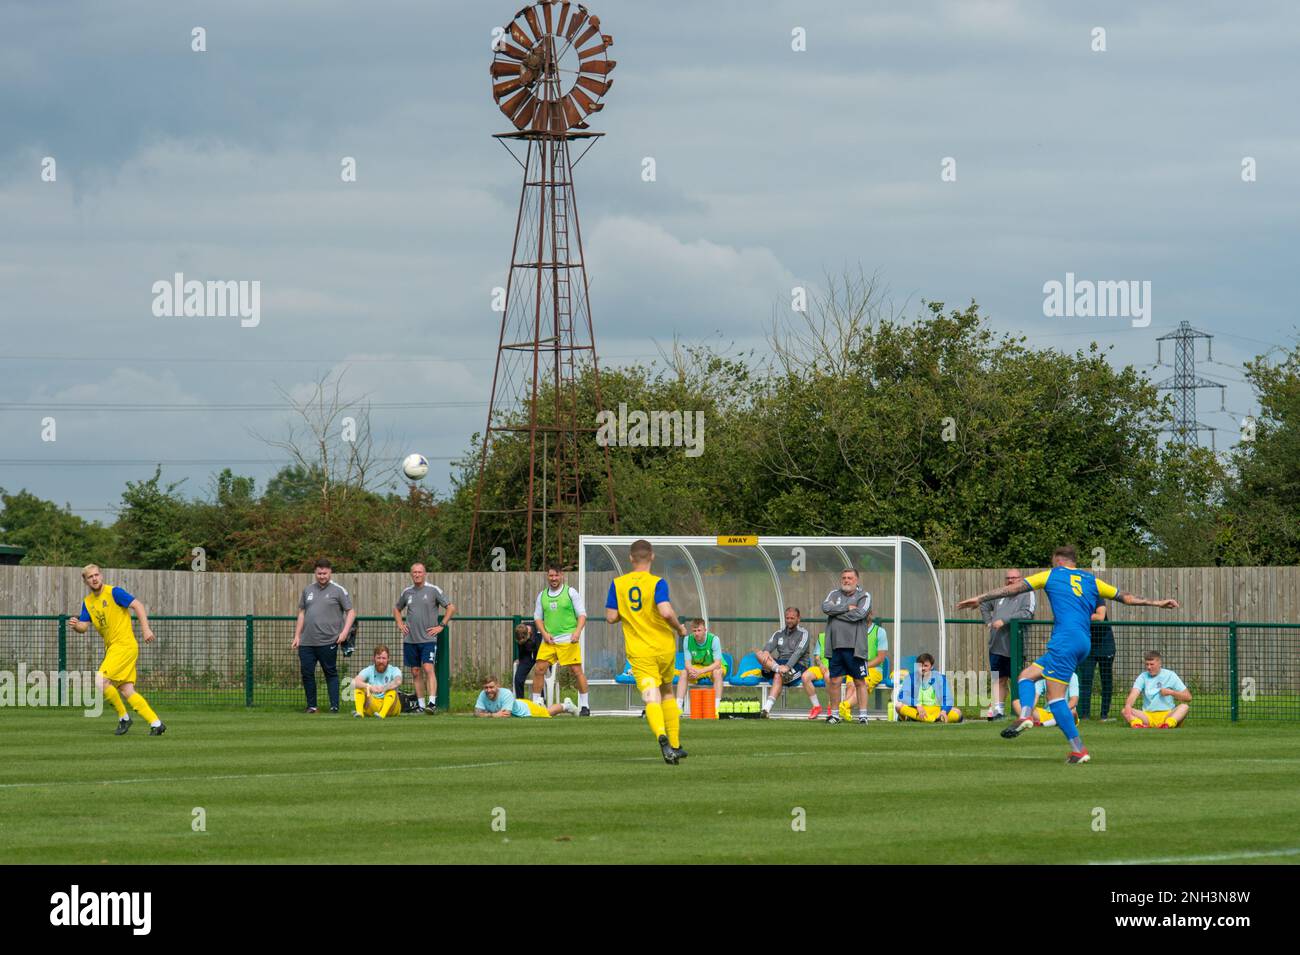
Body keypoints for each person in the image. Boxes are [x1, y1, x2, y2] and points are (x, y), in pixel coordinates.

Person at [957, 545, 1179, 764]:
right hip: (1082, 642)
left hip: (1065, 641)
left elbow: (1013, 589)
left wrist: (981, 598)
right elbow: (1126, 597)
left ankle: (1077, 749)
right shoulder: (1091, 580)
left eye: (1054, 562)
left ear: (1059, 561)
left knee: (1055, 700)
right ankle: (1025, 715)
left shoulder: (1051, 575)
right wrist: (1157, 602)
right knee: (1026, 676)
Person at [605, 538, 690, 764]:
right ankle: (675, 743)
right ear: (652, 556)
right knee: (667, 691)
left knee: (650, 697)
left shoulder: (618, 583)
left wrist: (630, 615)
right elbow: (665, 611)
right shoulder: (657, 582)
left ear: (631, 558)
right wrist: (680, 627)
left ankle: (661, 736)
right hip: (663, 647)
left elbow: (611, 617)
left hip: (639, 651)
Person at [70, 564, 165, 736]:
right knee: (126, 689)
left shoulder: (114, 592)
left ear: (102, 576)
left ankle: (124, 718)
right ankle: (156, 723)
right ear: (85, 581)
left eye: (96, 575)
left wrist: (146, 629)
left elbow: (138, 606)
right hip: (114, 648)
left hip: (124, 645)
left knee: (101, 680)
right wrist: (76, 625)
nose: (94, 578)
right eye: (90, 577)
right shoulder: (88, 602)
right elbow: (84, 626)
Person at [292, 559, 355, 713]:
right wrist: (297, 636)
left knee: (330, 673)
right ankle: (312, 706)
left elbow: (351, 612)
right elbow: (301, 613)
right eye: (319, 573)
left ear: (330, 572)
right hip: (307, 642)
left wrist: (345, 632)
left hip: (329, 641)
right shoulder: (308, 590)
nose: (322, 576)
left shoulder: (339, 590)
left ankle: (334, 706)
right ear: (315, 572)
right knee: (307, 673)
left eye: (325, 573)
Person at [393, 562, 455, 715]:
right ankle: (421, 706)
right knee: (415, 671)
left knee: (428, 668)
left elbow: (451, 607)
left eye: (420, 572)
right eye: (414, 572)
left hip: (428, 639)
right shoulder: (407, 592)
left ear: (425, 573)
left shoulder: (433, 590)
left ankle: (432, 703)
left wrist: (441, 625)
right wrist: (400, 623)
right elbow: (396, 608)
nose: (417, 575)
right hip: (410, 639)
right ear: (411, 574)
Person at [532, 564, 591, 716]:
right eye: (551, 576)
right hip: (549, 640)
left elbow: (582, 615)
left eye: (556, 575)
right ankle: (536, 702)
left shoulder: (570, 592)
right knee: (539, 669)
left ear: (562, 576)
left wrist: (577, 632)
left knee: (576, 671)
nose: (553, 578)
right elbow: (537, 617)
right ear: (547, 576)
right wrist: (544, 634)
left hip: (568, 639)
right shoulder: (542, 595)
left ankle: (585, 706)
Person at [979, 568, 1036, 720]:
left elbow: (1027, 613)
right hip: (996, 645)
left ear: (1020, 578)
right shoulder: (1001, 593)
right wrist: (988, 622)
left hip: (1016, 646)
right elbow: (983, 603)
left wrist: (1005, 620)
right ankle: (998, 711)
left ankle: (1023, 713)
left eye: (1014, 578)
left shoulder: (1027, 593)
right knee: (999, 679)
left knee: (1019, 681)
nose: (1011, 580)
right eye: (1008, 578)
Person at [821, 568, 872, 725]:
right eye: (844, 577)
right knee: (834, 681)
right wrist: (845, 608)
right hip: (836, 646)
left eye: (850, 577)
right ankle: (835, 715)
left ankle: (863, 716)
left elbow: (859, 614)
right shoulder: (833, 594)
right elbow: (825, 608)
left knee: (859, 681)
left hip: (855, 647)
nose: (846, 580)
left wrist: (835, 613)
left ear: (856, 580)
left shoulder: (864, 595)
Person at [756, 607, 817, 717]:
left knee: (778, 676)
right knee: (759, 653)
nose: (789, 620)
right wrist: (766, 652)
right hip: (779, 664)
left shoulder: (804, 633)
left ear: (798, 619)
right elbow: (768, 647)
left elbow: (798, 653)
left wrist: (788, 666)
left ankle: (766, 709)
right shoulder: (778, 633)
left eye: (792, 618)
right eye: (787, 618)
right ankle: (778, 670)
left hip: (798, 665)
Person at [838, 611, 889, 721]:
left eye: (866, 612)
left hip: (874, 669)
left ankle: (844, 706)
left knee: (863, 683)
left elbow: (880, 658)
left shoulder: (879, 632)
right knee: (851, 685)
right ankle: (845, 712)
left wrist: (863, 666)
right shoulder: (853, 631)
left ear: (871, 614)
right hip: (855, 666)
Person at [1123, 651, 1192, 728]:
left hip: (1167, 714)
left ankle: (1167, 724)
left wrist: (1171, 692)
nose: (1149, 667)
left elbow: (1188, 697)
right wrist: (1128, 706)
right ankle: (1137, 724)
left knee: (1184, 707)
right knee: (1125, 709)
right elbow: (1133, 694)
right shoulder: (1142, 676)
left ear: (1159, 664)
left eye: (1152, 664)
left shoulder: (1170, 675)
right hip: (1148, 716)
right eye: (1147, 664)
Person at [895, 652, 962, 723]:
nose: (923, 668)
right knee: (898, 706)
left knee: (958, 712)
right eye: (920, 666)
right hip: (916, 709)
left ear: (931, 666)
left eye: (925, 666)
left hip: (935, 709)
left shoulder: (940, 678)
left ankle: (919, 719)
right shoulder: (910, 678)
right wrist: (917, 705)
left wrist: (944, 711)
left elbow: (947, 698)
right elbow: (901, 696)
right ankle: (935, 720)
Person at [677, 618, 726, 714]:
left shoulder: (714, 639)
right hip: (698, 667)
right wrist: (691, 671)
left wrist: (700, 671)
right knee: (684, 673)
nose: (696, 633)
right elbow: (687, 663)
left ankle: (716, 708)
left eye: (699, 630)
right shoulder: (687, 640)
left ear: (705, 630)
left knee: (717, 672)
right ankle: (678, 707)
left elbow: (717, 663)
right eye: (694, 631)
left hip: (714, 666)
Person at [1078, 599, 1116, 721]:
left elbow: (1100, 616)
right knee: (1085, 680)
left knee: (1106, 680)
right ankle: (1085, 716)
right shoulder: (1076, 598)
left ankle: (1104, 715)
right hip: (1087, 644)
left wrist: (1079, 615)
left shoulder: (1097, 597)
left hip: (1105, 644)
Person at [474, 676, 578, 718]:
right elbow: (477, 713)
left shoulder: (506, 694)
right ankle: (538, 703)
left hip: (526, 710)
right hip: (518, 703)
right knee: (543, 709)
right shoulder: (483, 694)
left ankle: (567, 706)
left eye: (491, 687)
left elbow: (505, 715)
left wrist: (488, 715)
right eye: (486, 688)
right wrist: (493, 715)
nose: (488, 690)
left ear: (498, 686)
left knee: (547, 712)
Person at [351, 645, 403, 719]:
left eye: (384, 658)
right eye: (378, 658)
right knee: (359, 688)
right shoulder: (369, 669)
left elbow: (398, 681)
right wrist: (369, 687)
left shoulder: (394, 669)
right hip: (374, 704)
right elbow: (354, 682)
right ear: (374, 658)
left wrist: (385, 688)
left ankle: (382, 714)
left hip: (391, 708)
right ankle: (359, 713)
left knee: (392, 691)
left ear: (388, 659)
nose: (381, 661)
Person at [1013, 672, 1079, 726]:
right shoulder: (1044, 676)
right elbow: (1034, 698)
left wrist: (1060, 712)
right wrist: (1027, 713)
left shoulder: (1072, 676)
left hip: (1065, 712)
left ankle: (1044, 724)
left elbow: (1074, 701)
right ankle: (1027, 721)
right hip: (1047, 714)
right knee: (1016, 703)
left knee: (1072, 712)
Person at [513, 621, 542, 699]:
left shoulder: (538, 628)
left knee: (540, 675)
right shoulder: (520, 631)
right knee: (518, 678)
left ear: (529, 632)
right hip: (527, 656)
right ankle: (520, 702)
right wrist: (520, 659)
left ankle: (541, 701)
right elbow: (521, 648)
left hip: (541, 654)